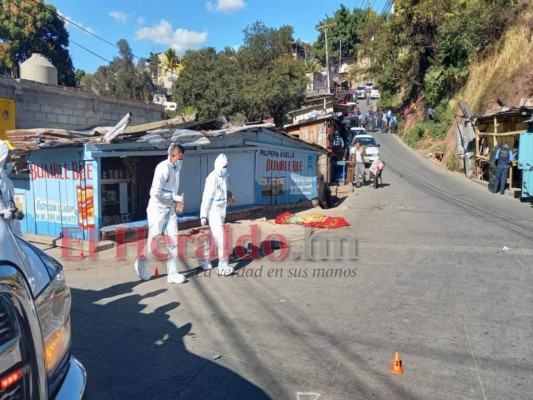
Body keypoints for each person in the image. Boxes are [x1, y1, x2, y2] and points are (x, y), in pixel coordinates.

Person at [134, 143, 186, 283]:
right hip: (157, 210)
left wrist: (177, 203)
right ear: (172, 155)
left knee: (174, 241)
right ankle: (140, 265)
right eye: (179, 158)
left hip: (170, 210)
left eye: (182, 159)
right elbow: (154, 193)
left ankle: (172, 274)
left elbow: (173, 191)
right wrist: (173, 198)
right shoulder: (162, 168)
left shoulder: (177, 169)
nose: (181, 162)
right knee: (154, 242)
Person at [199, 154, 236, 276]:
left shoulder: (224, 176)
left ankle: (203, 261)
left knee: (211, 238)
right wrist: (203, 214)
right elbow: (206, 197)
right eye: (224, 166)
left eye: (227, 166)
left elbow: (222, 191)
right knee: (222, 239)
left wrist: (229, 195)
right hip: (213, 211)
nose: (226, 168)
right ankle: (223, 266)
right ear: (219, 165)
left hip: (221, 211)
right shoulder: (212, 178)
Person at [0, 140, 22, 236]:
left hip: (10, 229)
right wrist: (1, 214)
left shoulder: (8, 182)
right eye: (7, 156)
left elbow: (11, 205)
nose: (10, 160)